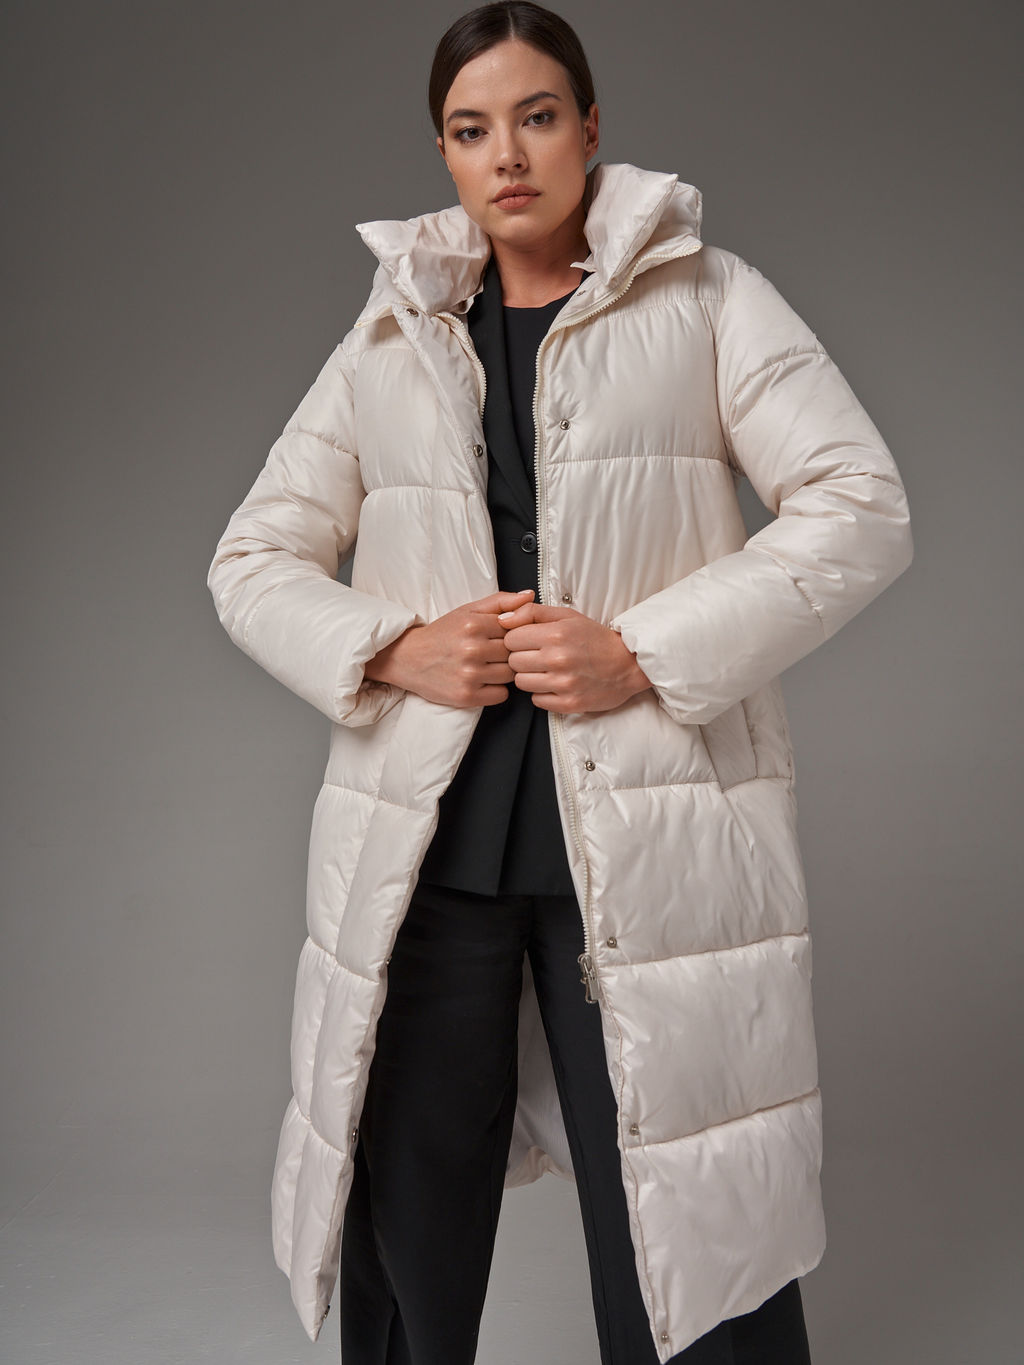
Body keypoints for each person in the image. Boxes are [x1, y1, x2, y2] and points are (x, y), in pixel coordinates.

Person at [206, 3, 913, 1362]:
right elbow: (252, 558)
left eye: (537, 117)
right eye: (472, 129)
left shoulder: (706, 297)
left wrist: (642, 649)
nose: (508, 155)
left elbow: (859, 504)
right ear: (444, 152)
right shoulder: (395, 330)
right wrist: (393, 649)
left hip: (645, 836)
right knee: (407, 1213)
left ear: (591, 128)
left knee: (687, 1201)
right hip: (435, 848)